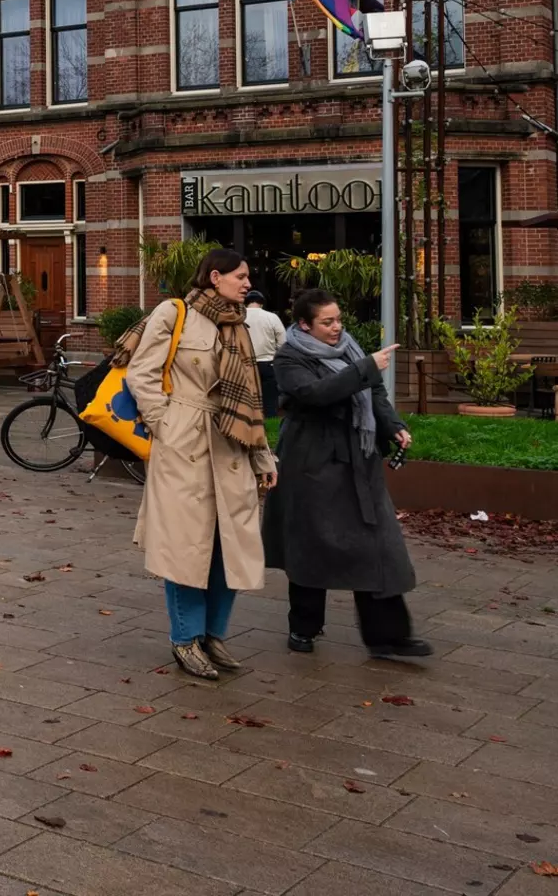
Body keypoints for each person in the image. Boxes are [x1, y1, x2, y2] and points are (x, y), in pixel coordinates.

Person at [120, 248, 276, 681]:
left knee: (231, 547)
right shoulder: (175, 314)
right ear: (214, 277)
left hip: (232, 446)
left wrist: (262, 455)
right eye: (240, 276)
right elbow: (141, 375)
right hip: (185, 443)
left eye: (248, 277)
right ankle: (185, 639)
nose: (247, 284)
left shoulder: (239, 325)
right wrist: (166, 424)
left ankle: (213, 635)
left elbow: (251, 399)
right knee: (187, 546)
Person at [264, 289, 428, 659]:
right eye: (328, 322)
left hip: (360, 460)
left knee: (378, 546)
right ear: (304, 324)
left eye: (339, 319)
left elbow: (374, 396)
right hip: (312, 463)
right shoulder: (289, 356)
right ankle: (303, 627)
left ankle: (388, 636)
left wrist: (392, 427)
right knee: (311, 545)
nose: (337, 327)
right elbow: (316, 393)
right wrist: (365, 368)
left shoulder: (352, 350)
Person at [244, 289, 286, 420]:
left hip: (245, 364)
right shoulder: (272, 317)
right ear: (261, 303)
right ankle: (271, 428)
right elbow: (283, 342)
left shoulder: (239, 316)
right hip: (268, 363)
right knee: (269, 401)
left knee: (248, 401)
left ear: (246, 303)